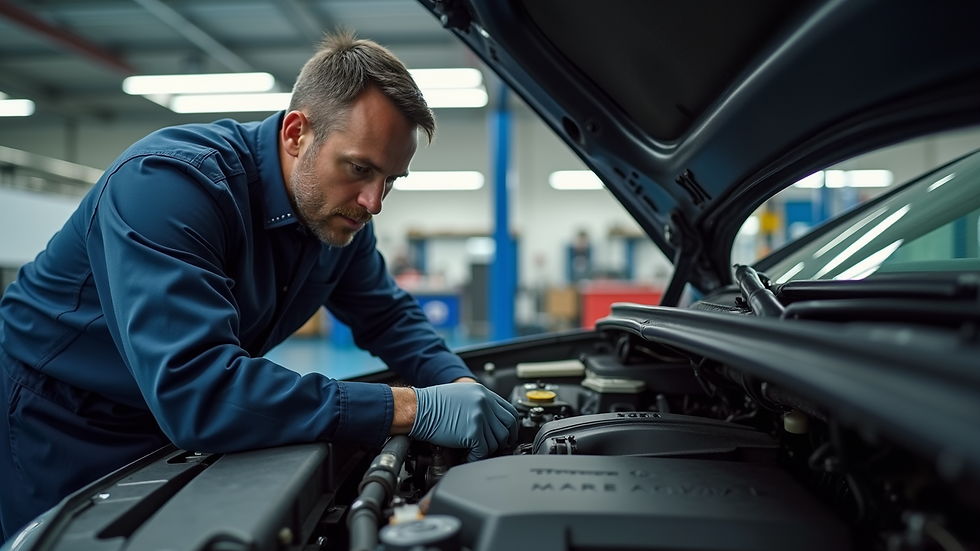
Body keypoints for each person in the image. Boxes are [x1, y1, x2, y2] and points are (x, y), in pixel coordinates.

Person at [0, 31, 518, 541]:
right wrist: (412, 407)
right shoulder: (168, 186)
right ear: (296, 133)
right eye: (359, 168)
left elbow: (387, 316)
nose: (374, 201)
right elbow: (199, 391)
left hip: (169, 423)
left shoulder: (337, 217)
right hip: (63, 418)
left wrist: (459, 386)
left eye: (390, 180)